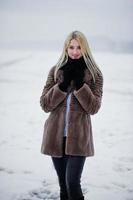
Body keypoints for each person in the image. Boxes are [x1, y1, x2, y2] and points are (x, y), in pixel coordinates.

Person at [40, 30, 103, 200]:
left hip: (79, 139)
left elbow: (94, 108)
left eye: (79, 48)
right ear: (66, 49)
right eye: (71, 47)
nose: (75, 52)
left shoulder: (95, 74)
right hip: (55, 137)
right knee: (63, 185)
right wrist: (62, 85)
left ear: (85, 49)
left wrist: (81, 85)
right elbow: (45, 105)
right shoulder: (56, 71)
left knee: (73, 184)